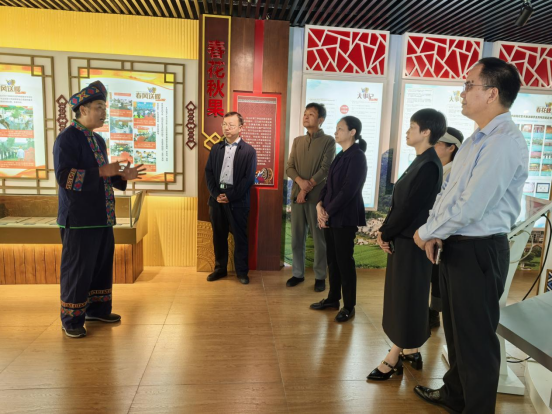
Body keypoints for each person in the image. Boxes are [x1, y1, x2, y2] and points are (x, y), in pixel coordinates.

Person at [413, 57, 527, 414]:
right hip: (457, 245)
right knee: (457, 331)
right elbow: (450, 195)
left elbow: (473, 205)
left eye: (468, 85)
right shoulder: (478, 138)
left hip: (479, 250)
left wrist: (426, 232)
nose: (462, 93)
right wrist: (436, 233)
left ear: (491, 93)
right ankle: (455, 394)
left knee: (476, 339)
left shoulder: (503, 141)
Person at [54, 81, 145, 338]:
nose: (104, 112)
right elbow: (66, 178)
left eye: (104, 107)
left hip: (102, 216)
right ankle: (72, 320)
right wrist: (105, 170)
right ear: (83, 110)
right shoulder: (67, 139)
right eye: (98, 107)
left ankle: (97, 309)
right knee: (78, 270)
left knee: (101, 266)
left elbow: (102, 174)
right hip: (79, 218)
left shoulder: (98, 140)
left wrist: (121, 175)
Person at [367, 108, 446, 380]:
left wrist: (385, 232)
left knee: (406, 298)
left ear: (426, 131)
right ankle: (411, 349)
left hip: (413, 243)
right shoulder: (422, 161)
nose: (407, 131)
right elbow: (400, 204)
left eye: (412, 127)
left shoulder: (429, 165)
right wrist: (386, 231)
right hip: (404, 240)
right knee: (406, 297)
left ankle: (393, 357)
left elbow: (409, 208)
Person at [310, 116, 367, 322]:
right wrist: (319, 204)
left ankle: (349, 306)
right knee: (333, 260)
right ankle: (333, 299)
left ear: (352, 132)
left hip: (344, 217)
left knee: (344, 262)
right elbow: (328, 185)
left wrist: (327, 212)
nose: (336, 132)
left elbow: (349, 190)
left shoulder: (357, 156)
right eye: (336, 128)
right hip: (331, 216)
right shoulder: (340, 155)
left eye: (340, 128)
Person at [285, 103, 336, 292]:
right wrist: (300, 182)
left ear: (321, 120)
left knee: (319, 239)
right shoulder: (298, 141)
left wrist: (305, 189)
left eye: (311, 114)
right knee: (296, 238)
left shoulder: (328, 141)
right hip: (297, 197)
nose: (306, 117)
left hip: (317, 199)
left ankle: (320, 276)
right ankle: (297, 273)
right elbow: (289, 167)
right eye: (305, 114)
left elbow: (325, 169)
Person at [205, 112, 257, 285]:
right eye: (224, 124)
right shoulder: (216, 148)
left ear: (240, 127)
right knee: (218, 236)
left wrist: (230, 196)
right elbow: (209, 172)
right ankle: (220, 269)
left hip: (238, 201)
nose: (227, 128)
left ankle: (241, 271)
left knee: (240, 237)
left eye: (231, 125)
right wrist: (215, 194)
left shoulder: (249, 151)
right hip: (217, 199)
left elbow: (248, 179)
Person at [429, 127, 464, 328]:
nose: (432, 146)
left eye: (437, 144)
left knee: (437, 275)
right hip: (428, 229)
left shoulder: (455, 173)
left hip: (443, 233)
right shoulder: (434, 167)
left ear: (451, 148)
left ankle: (434, 312)